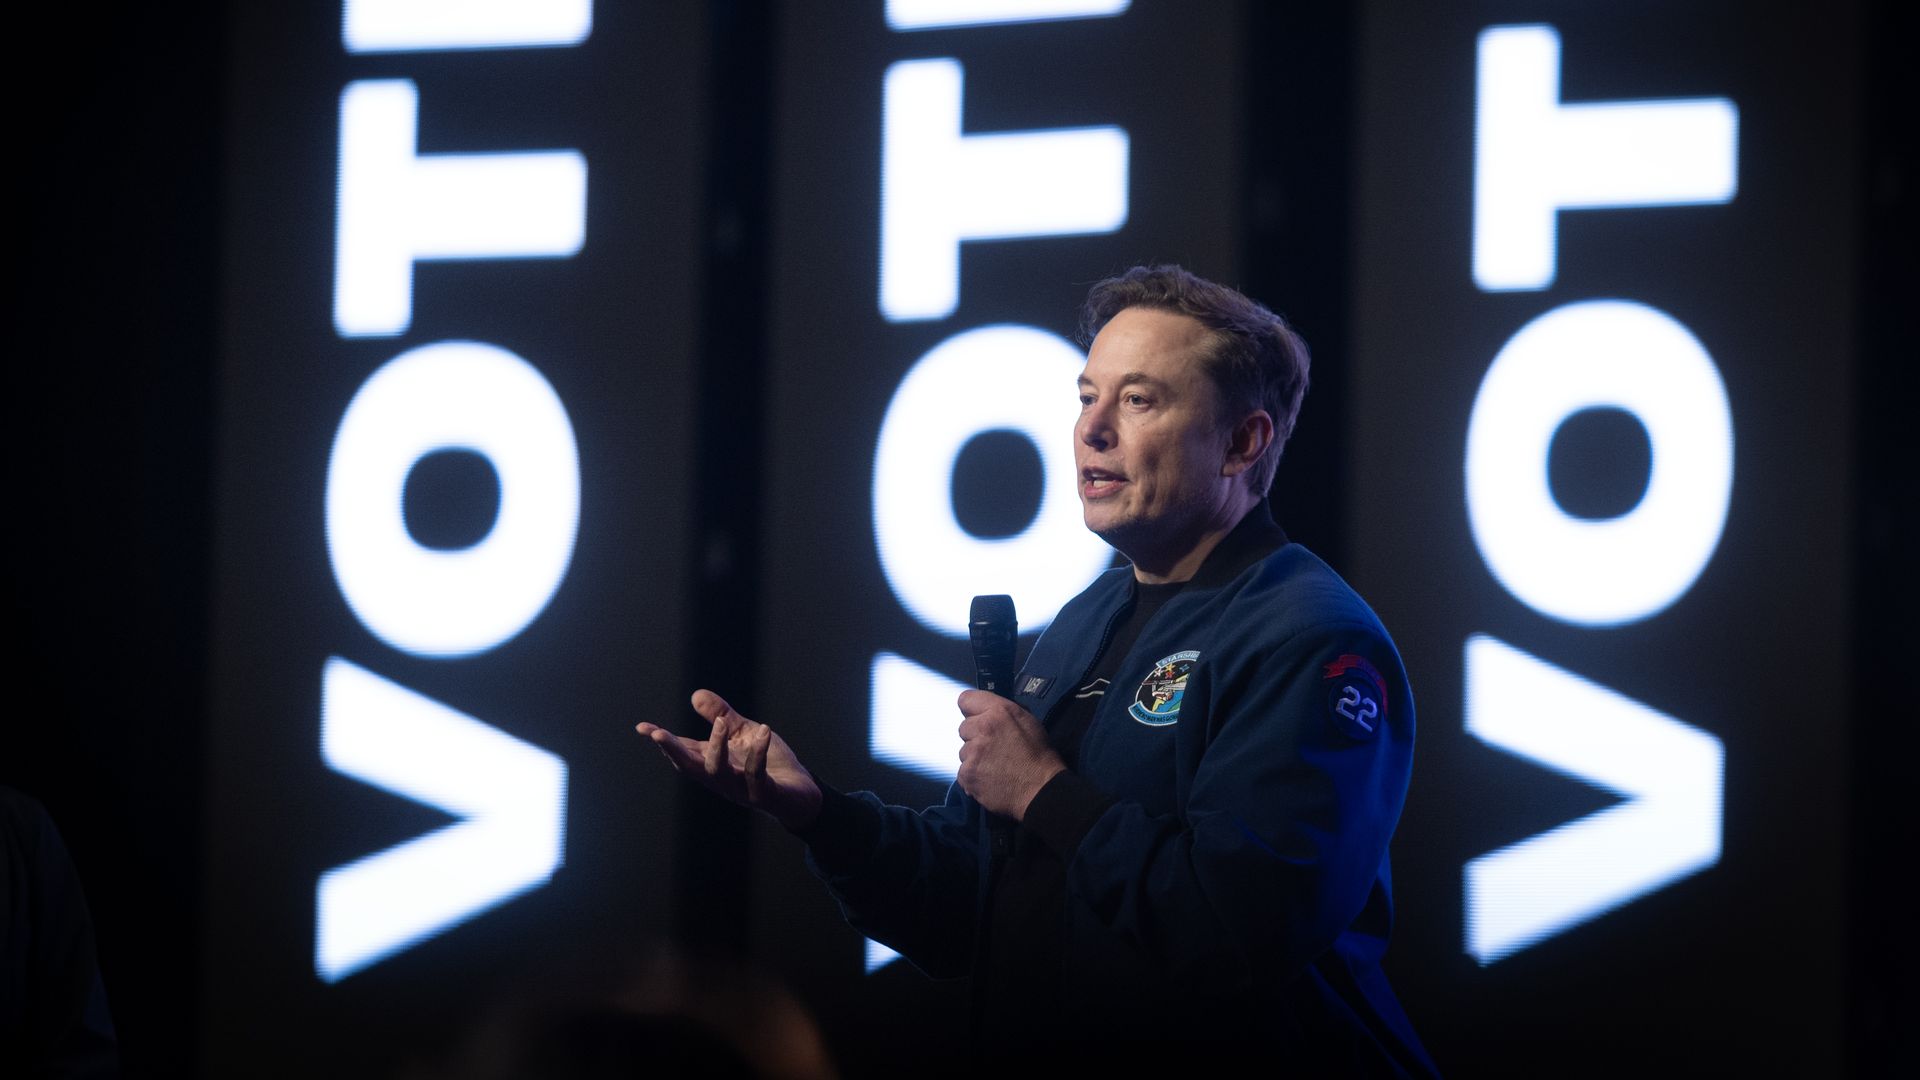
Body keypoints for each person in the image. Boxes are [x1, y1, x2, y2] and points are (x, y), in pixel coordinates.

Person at [637, 265, 1437, 1074]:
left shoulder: (1313, 640)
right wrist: (815, 812)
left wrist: (1045, 792)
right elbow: (962, 910)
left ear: (1242, 442)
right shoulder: (1088, 620)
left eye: (1138, 400)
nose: (1092, 431)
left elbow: (1236, 932)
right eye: (1087, 396)